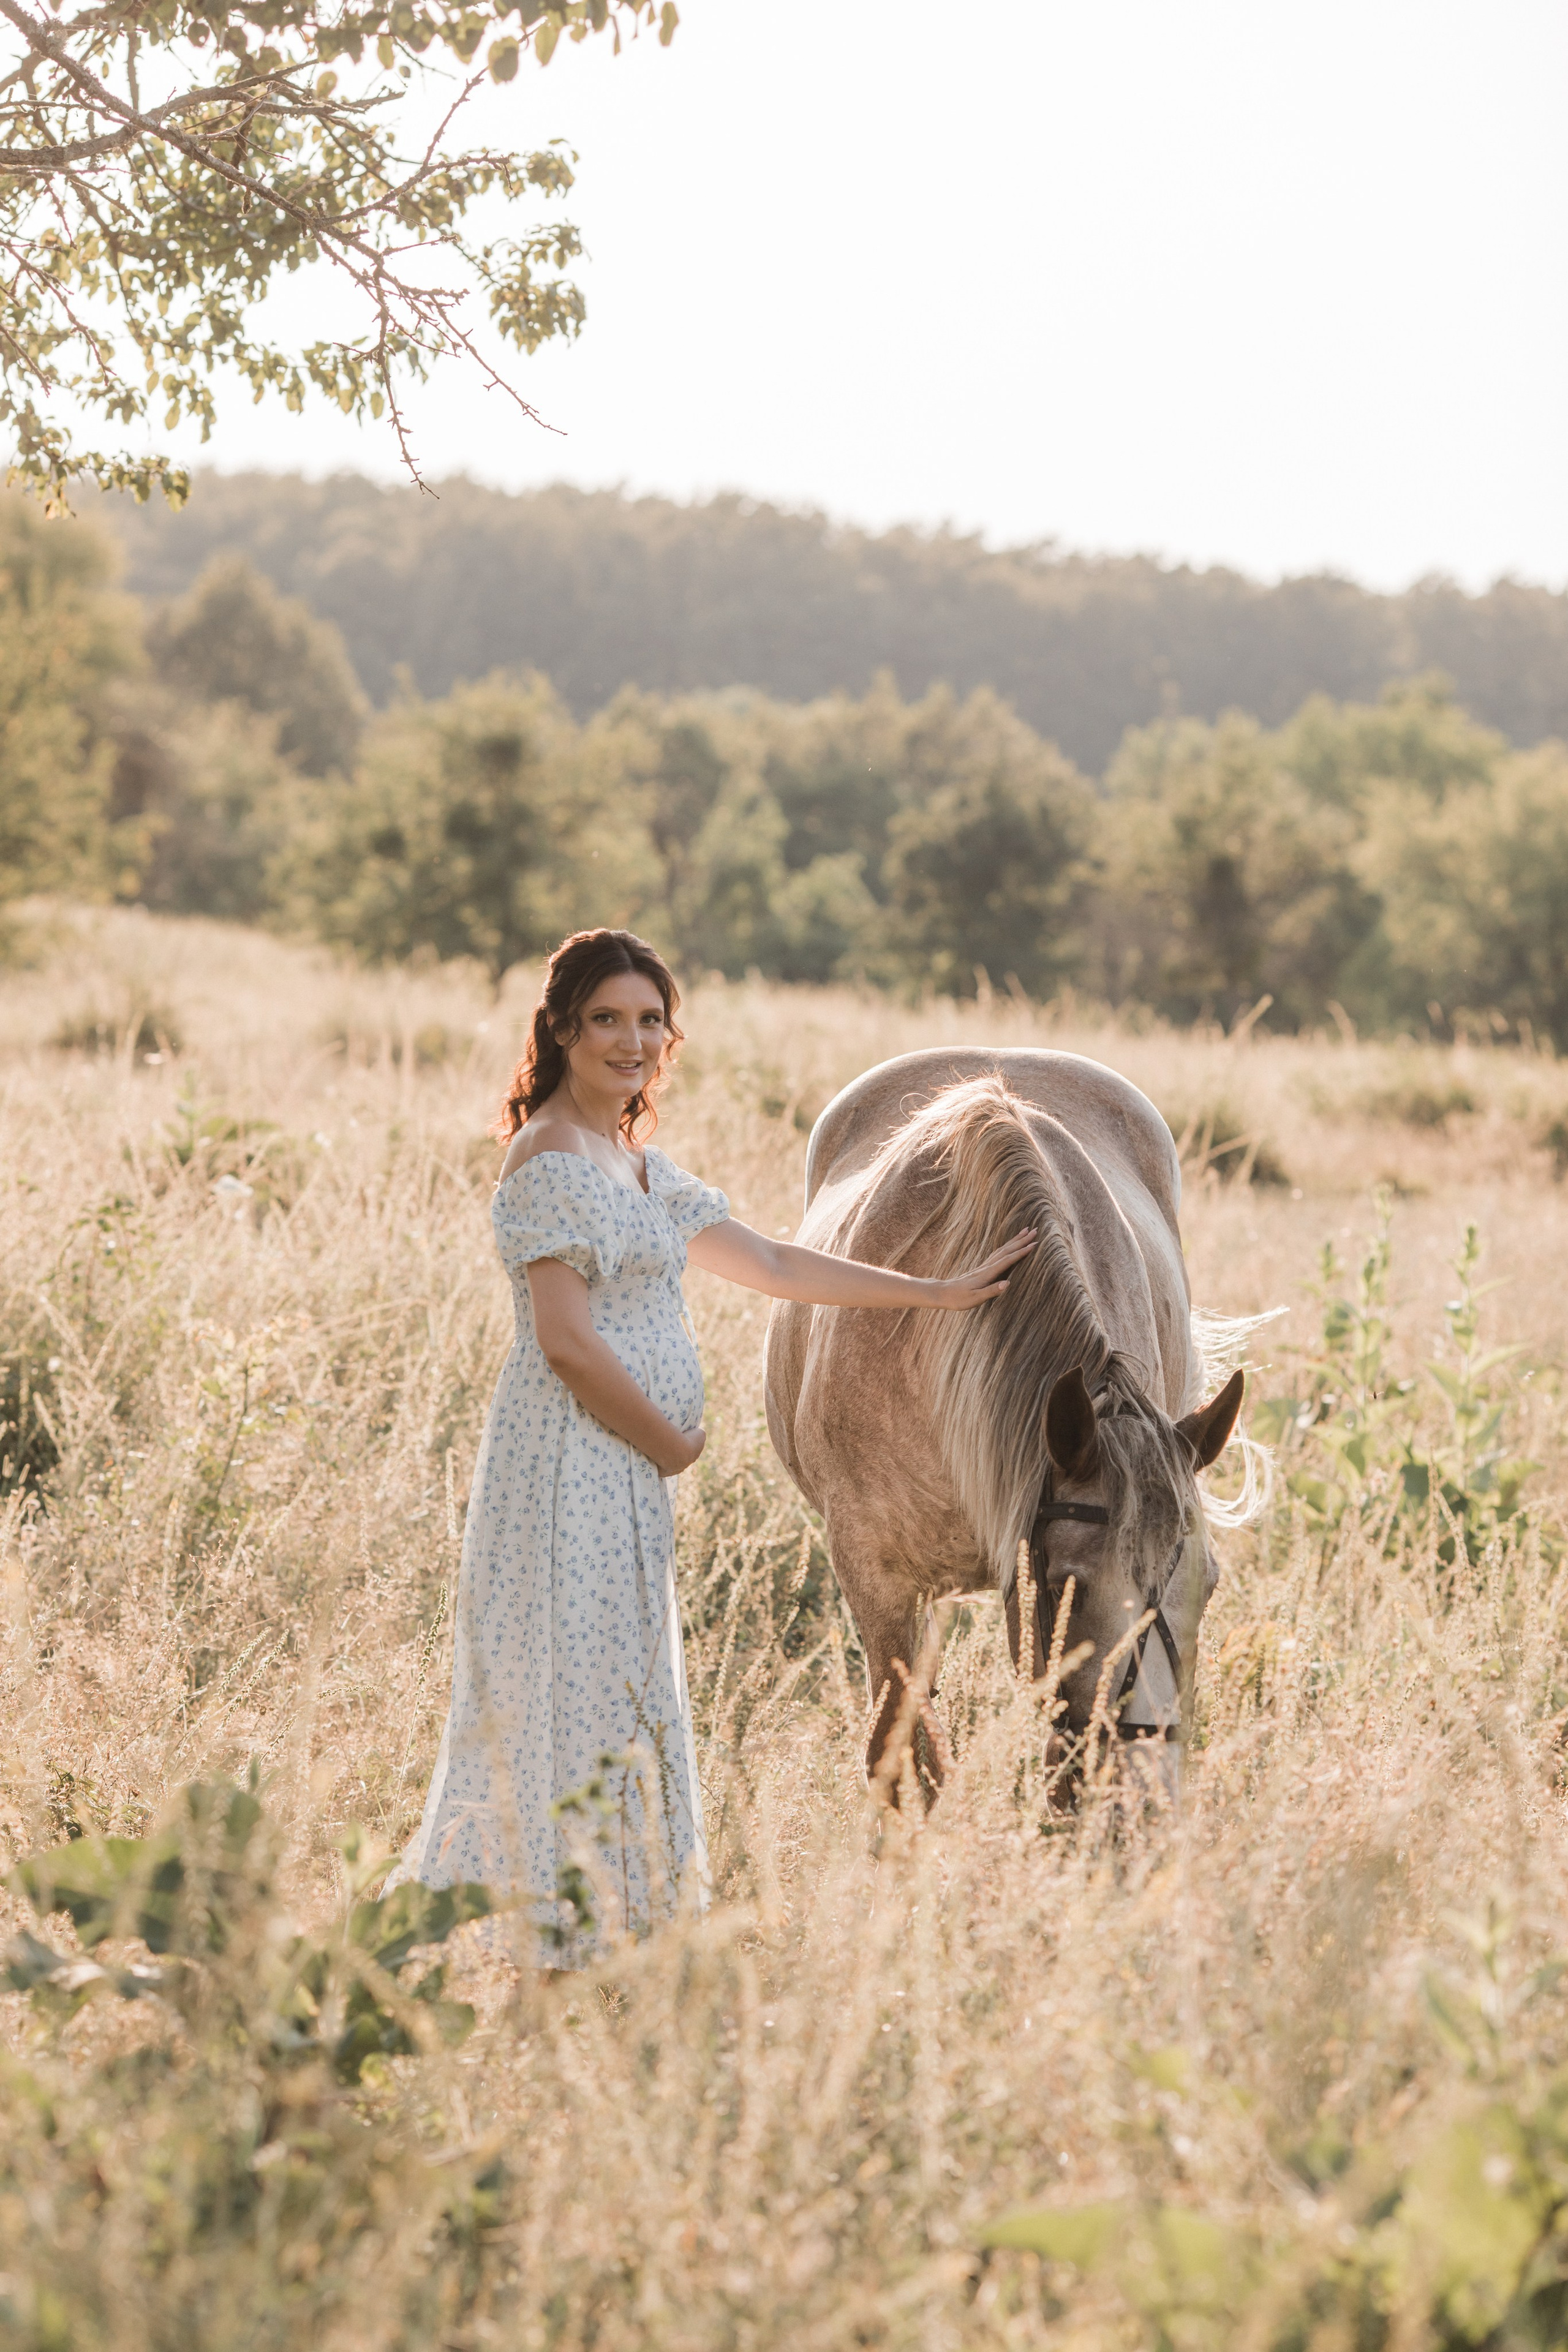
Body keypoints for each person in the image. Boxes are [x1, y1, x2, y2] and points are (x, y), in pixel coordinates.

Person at [401, 927, 1035, 1962]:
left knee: (619, 1687)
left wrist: (937, 1291)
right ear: (562, 1028)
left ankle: (605, 1934)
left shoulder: (635, 1164)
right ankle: (549, 1947)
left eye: (650, 1020)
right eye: (607, 1018)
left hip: (623, 1469)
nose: (632, 1040)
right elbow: (565, 1341)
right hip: (573, 1457)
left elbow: (781, 1264)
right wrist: (671, 1442)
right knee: (574, 1686)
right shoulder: (552, 1155)